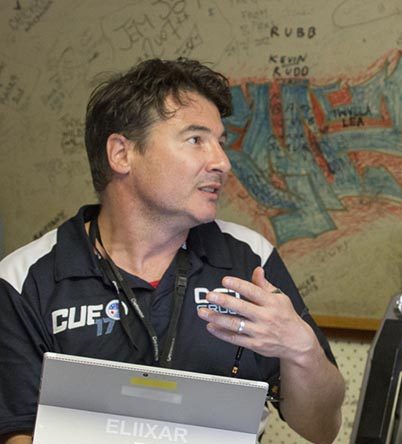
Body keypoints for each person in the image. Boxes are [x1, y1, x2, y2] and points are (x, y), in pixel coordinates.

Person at [0, 58, 345, 444]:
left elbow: (322, 430)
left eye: (220, 142)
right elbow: (19, 431)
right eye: (196, 139)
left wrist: (301, 349)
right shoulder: (23, 277)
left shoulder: (250, 259)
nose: (222, 162)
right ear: (121, 154)